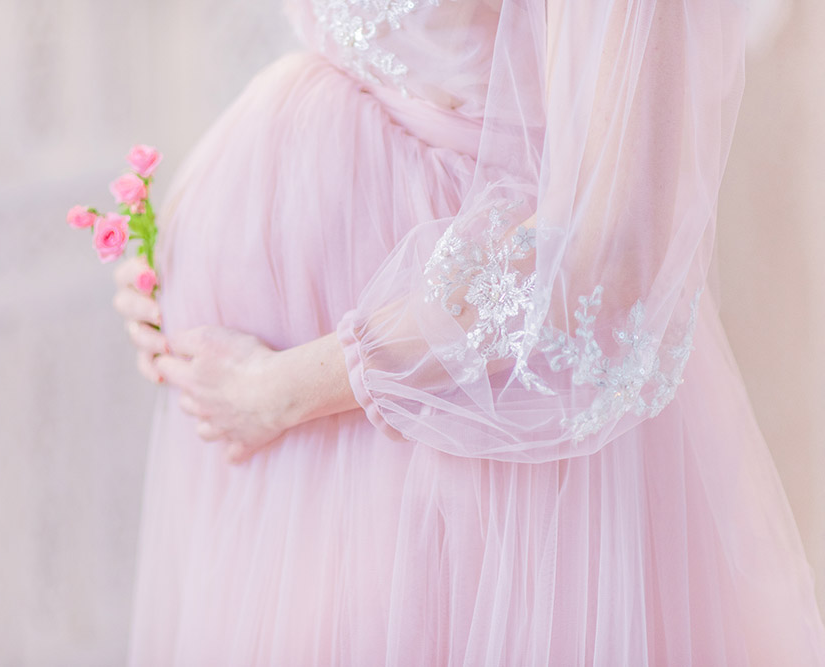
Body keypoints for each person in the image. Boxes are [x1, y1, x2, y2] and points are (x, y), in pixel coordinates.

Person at [114, 0, 825, 663]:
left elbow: (607, 255)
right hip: (281, 432)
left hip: (449, 414)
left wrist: (283, 387)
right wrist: (178, 251)